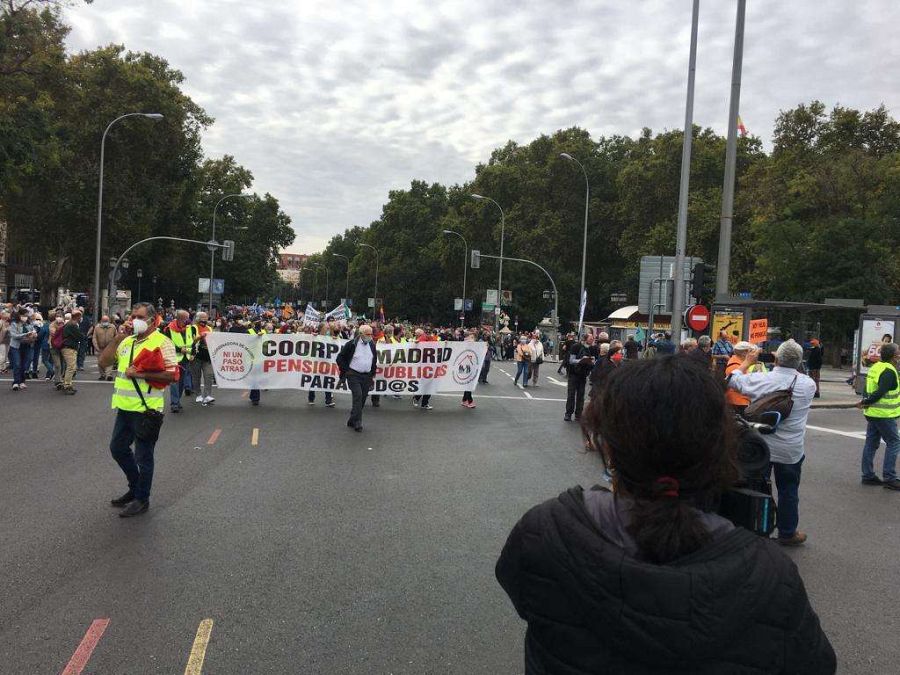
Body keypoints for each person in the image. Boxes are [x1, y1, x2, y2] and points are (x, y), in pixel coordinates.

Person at [495, 355, 836, 674]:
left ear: (607, 445)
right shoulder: (771, 573)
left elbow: (522, 593)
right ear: (722, 447)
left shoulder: (546, 532)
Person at [728, 339, 817, 545]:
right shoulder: (808, 384)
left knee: (756, 487)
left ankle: (754, 530)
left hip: (762, 446)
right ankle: (787, 532)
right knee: (788, 490)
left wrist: (747, 362)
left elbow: (732, 380)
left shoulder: (760, 379)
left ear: (776, 358)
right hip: (791, 449)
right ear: (799, 361)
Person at [98, 302, 177, 518]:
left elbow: (172, 375)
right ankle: (135, 487)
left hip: (146, 409)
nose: (134, 320)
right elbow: (103, 363)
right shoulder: (126, 341)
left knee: (144, 457)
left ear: (153, 320)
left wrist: (141, 374)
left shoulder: (162, 342)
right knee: (118, 449)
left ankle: (142, 498)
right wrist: (116, 339)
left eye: (139, 316)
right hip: (124, 408)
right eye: (132, 316)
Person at [857, 342, 900, 490]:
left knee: (871, 443)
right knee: (894, 443)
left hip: (873, 413)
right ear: (894, 356)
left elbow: (868, 388)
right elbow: (881, 392)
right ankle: (889, 477)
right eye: (898, 352)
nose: (899, 354)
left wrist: (865, 402)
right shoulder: (889, 371)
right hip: (884, 415)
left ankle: (868, 476)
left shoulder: (875, 367)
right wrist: (865, 401)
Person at [336, 323, 377, 431]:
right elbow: (340, 358)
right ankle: (358, 422)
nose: (370, 336)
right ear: (361, 334)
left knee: (362, 399)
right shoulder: (351, 344)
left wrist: (372, 374)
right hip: (354, 375)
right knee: (358, 396)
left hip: (367, 376)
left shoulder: (372, 345)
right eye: (368, 334)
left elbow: (374, 360)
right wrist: (346, 371)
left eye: (371, 334)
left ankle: (352, 419)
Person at [161, 309, 196, 413]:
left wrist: (193, 353)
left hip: (186, 359)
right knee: (174, 382)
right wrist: (180, 349)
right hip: (174, 358)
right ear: (181, 319)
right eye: (187, 319)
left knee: (181, 382)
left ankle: (177, 401)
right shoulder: (169, 329)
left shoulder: (190, 329)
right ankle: (174, 403)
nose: (188, 321)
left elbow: (192, 343)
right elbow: (167, 343)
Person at [723, 341, 766, 415]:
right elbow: (736, 384)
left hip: (741, 400)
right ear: (744, 353)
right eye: (751, 351)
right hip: (738, 402)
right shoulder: (735, 365)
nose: (753, 355)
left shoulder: (739, 363)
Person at [564, 333, 596, 422]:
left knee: (581, 395)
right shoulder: (576, 346)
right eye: (591, 338)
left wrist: (592, 361)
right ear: (585, 339)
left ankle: (578, 414)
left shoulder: (591, 348)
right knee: (571, 394)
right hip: (574, 374)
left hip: (583, 374)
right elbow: (571, 360)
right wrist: (581, 360)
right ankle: (568, 414)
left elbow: (594, 359)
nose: (592, 340)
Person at [189, 312, 216, 405]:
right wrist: (200, 337)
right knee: (196, 377)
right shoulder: (193, 327)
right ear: (197, 318)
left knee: (209, 375)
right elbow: (191, 340)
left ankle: (207, 395)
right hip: (196, 355)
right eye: (202, 317)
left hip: (207, 356)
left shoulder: (209, 328)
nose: (204, 319)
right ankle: (198, 394)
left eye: (206, 317)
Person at [8, 307, 36, 391]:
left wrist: (34, 334)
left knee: (25, 364)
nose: (26, 317)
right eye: (24, 315)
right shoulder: (14, 324)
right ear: (19, 315)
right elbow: (14, 335)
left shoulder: (29, 324)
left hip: (27, 346)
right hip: (16, 346)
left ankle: (22, 381)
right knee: (17, 364)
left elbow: (33, 331)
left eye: (27, 316)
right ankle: (16, 382)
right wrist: (26, 334)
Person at [61, 310, 84, 394]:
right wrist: (82, 336)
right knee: (71, 367)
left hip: (69, 347)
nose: (81, 318)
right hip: (69, 347)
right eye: (80, 317)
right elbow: (79, 336)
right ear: (77, 317)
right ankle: (67, 385)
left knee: (72, 367)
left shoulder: (69, 324)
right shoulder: (72, 325)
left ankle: (68, 384)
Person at [92, 315, 118, 381]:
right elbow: (94, 338)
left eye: (106, 321)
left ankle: (108, 375)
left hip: (110, 348)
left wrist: (115, 346)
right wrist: (96, 347)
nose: (105, 322)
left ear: (109, 321)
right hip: (100, 348)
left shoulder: (112, 327)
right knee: (100, 362)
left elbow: (116, 336)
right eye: (104, 321)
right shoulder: (97, 328)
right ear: (101, 321)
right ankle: (102, 374)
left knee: (110, 362)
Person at [461, 329, 477, 408]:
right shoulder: (466, 344)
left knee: (468, 384)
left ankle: (464, 400)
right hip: (466, 367)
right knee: (469, 384)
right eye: (472, 337)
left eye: (473, 337)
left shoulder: (472, 345)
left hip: (470, 366)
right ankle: (470, 401)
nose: (473, 339)